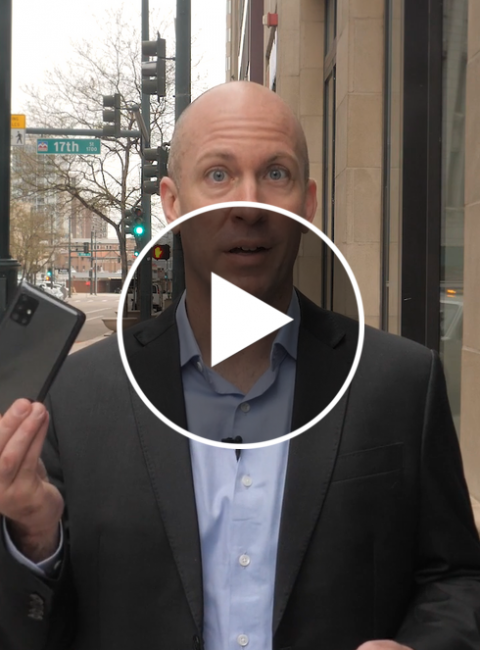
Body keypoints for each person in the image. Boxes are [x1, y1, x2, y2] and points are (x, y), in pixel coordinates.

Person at [0, 81, 479, 650]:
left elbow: (455, 576)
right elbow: (37, 625)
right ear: (173, 203)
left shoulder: (401, 382)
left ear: (308, 202)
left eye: (276, 174)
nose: (249, 206)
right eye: (218, 174)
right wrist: (36, 539)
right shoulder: (75, 397)